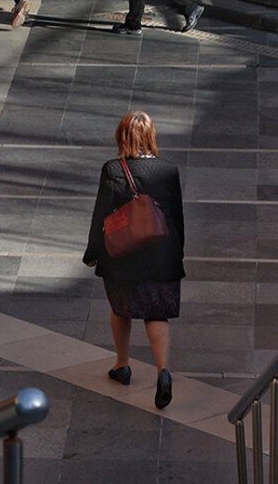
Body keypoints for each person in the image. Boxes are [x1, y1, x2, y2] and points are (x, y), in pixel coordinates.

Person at [83, 111, 184, 410]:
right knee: (157, 314)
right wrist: (178, 251)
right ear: (151, 136)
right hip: (162, 253)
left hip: (123, 255)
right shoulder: (168, 170)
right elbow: (177, 215)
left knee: (121, 309)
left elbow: (101, 214)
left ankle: (122, 365)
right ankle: (163, 371)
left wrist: (92, 252)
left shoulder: (113, 169)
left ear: (122, 136)